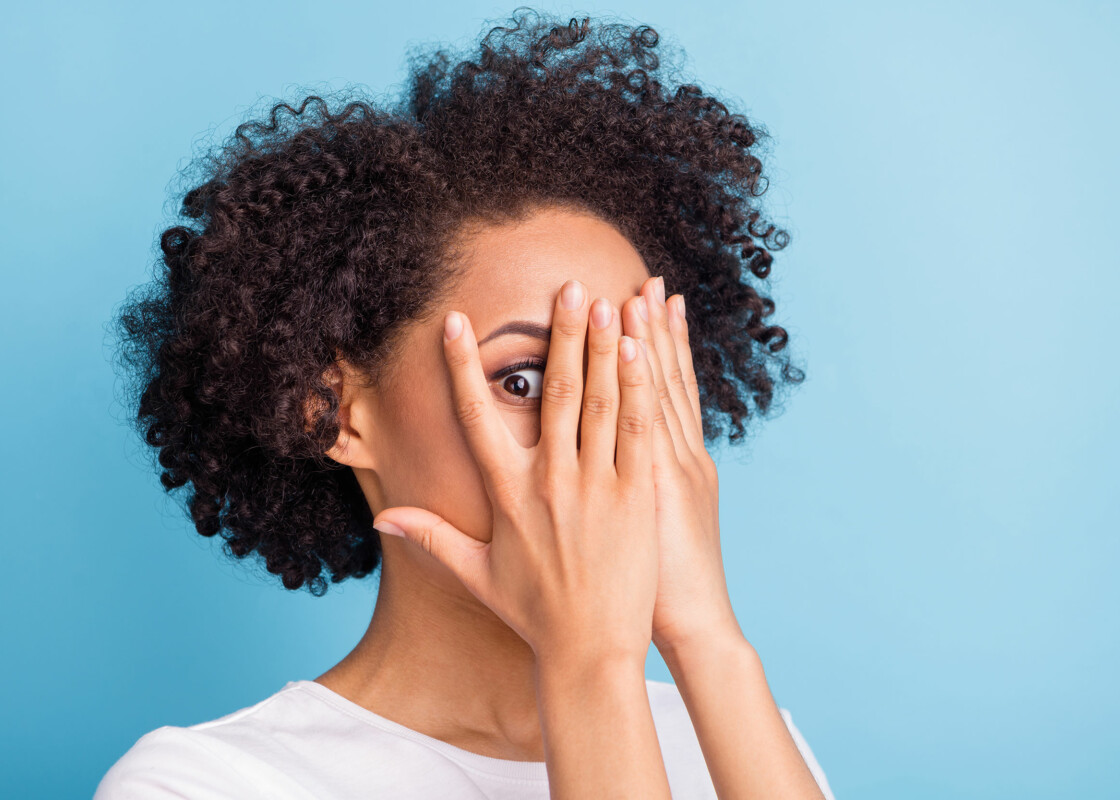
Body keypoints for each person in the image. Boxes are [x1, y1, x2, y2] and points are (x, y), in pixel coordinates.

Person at [100, 8, 835, 798]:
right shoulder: (207, 783)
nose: (603, 429)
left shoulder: (739, 740)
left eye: (632, 370)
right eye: (523, 380)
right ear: (335, 412)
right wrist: (589, 659)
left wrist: (707, 640)